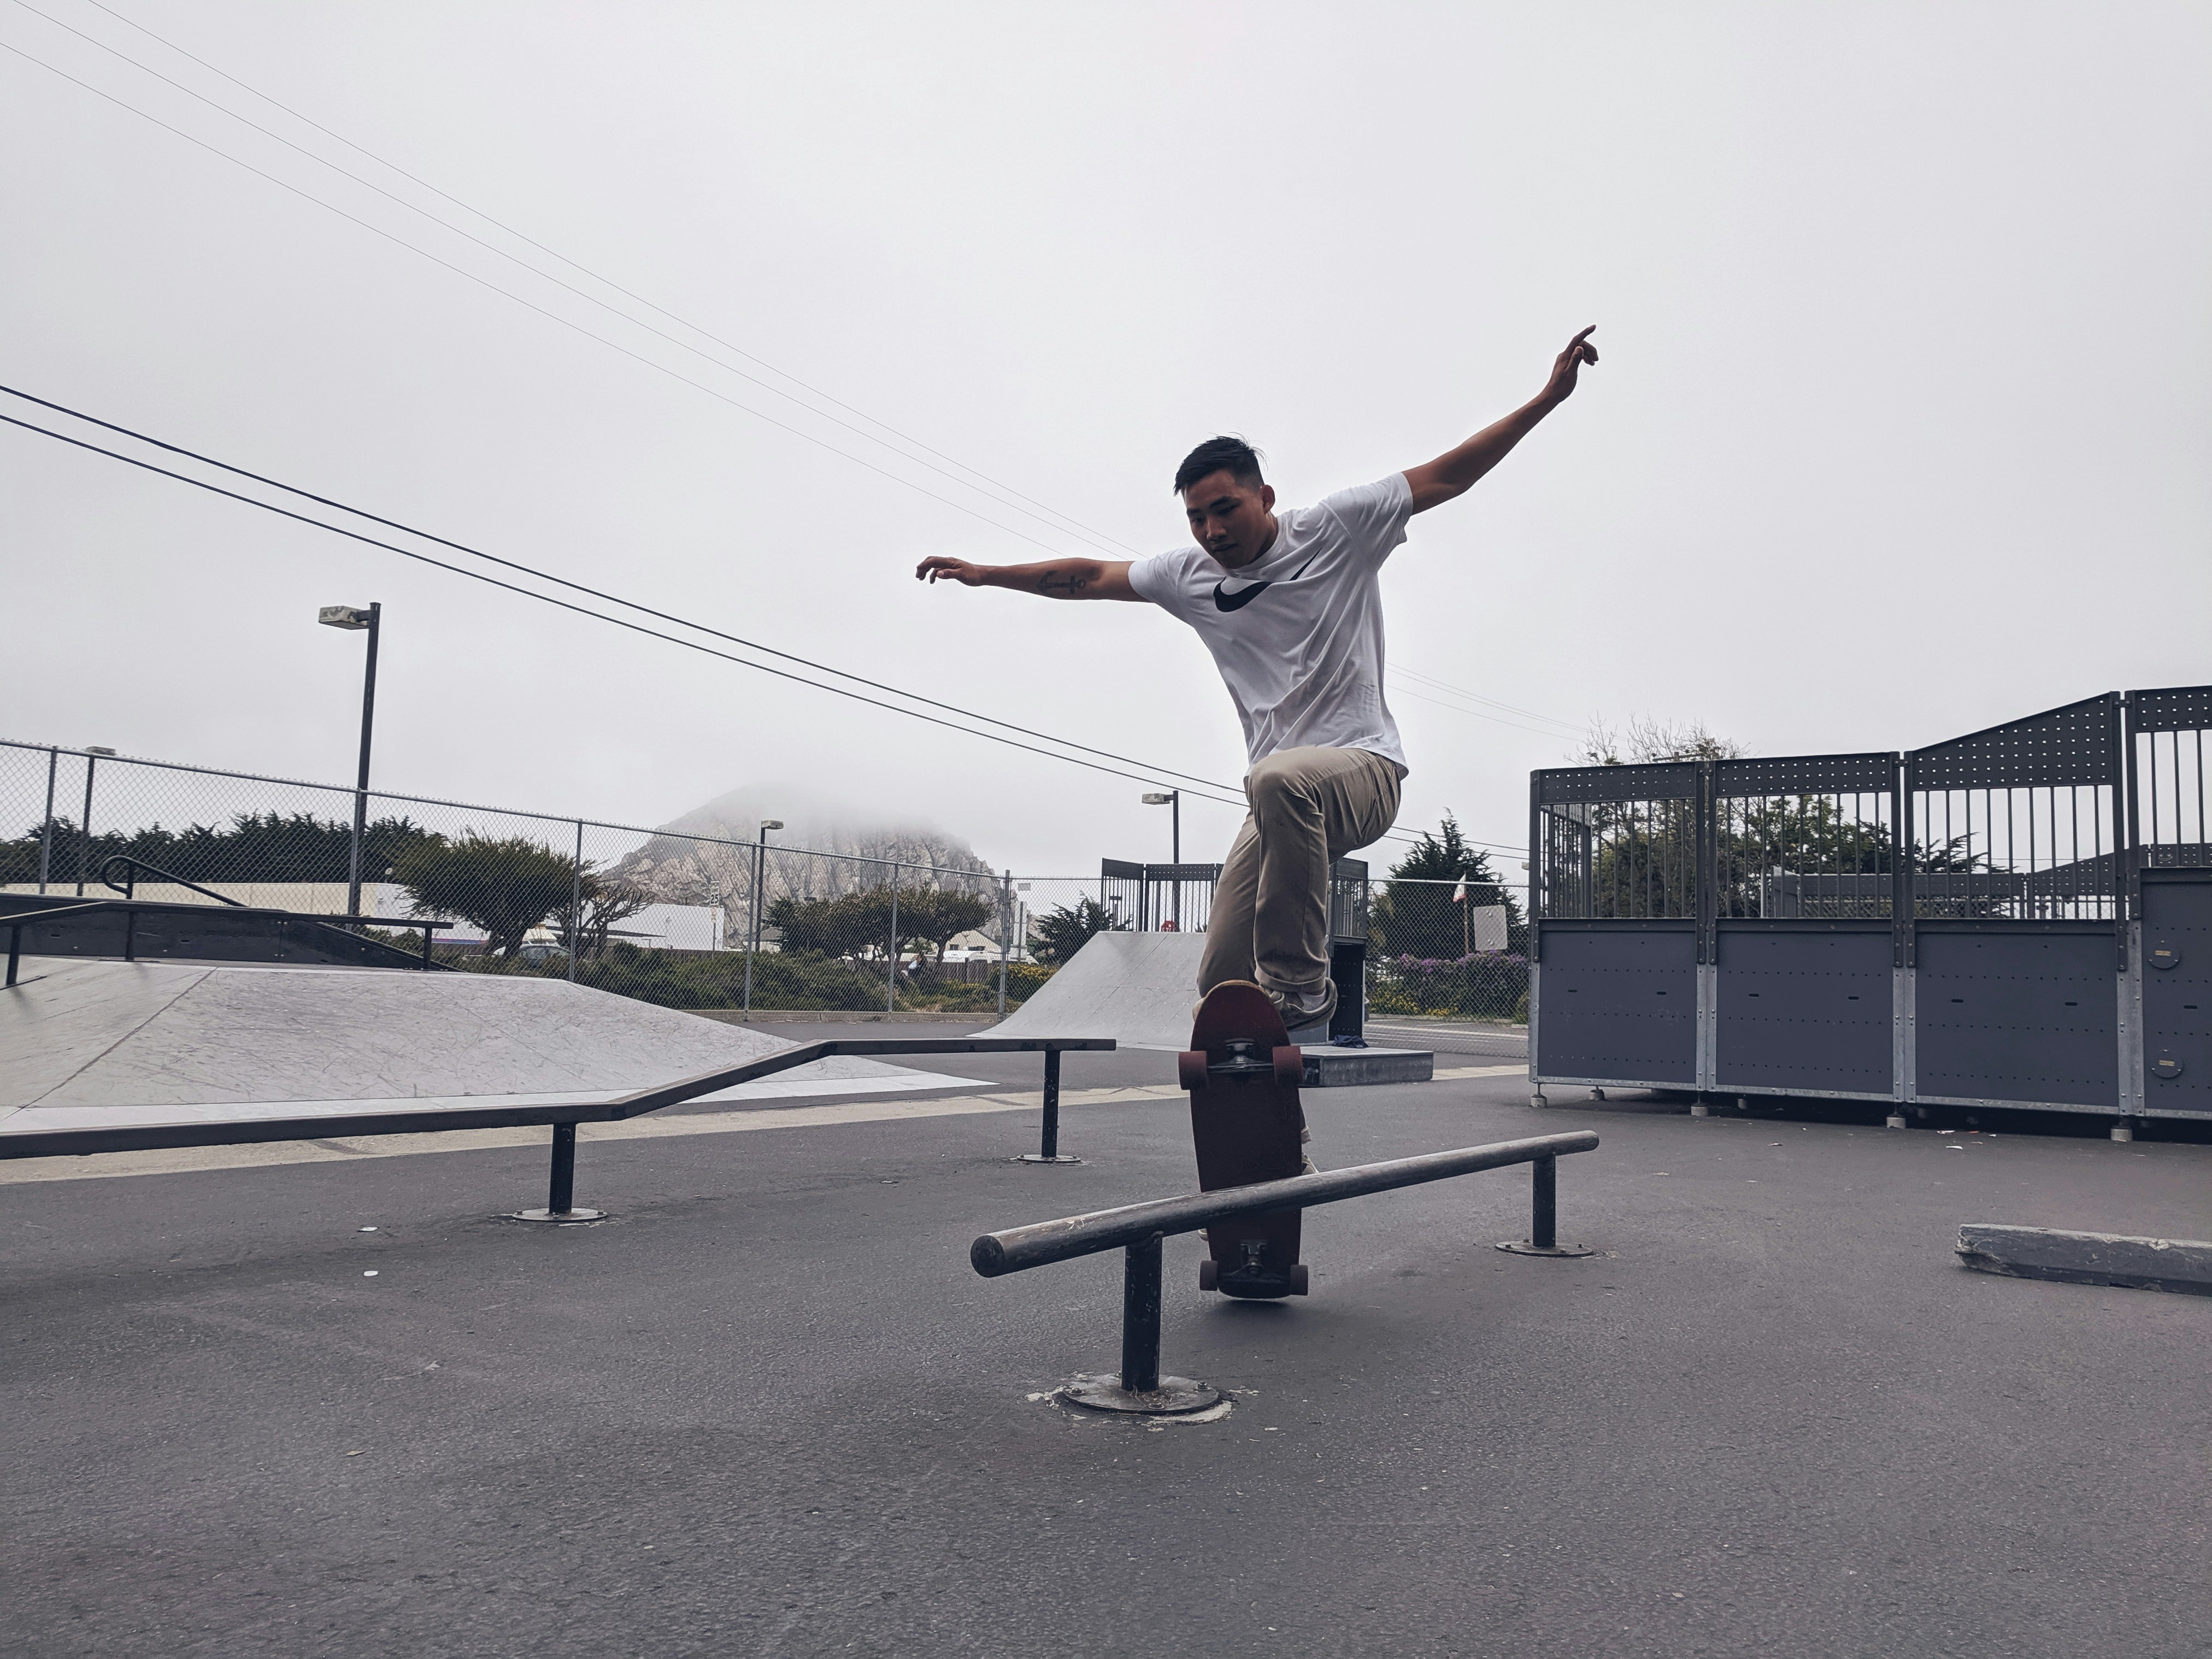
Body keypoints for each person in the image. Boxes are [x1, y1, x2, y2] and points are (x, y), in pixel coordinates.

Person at [917, 326, 1598, 1037]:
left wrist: (1547, 397)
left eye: (1225, 510)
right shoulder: (1189, 576)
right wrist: (986, 573)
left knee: (1278, 780)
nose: (1212, 532)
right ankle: (1275, 1137)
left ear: (1265, 497)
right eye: (1197, 518)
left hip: (1365, 771)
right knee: (1222, 986)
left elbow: (1447, 475)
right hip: (1278, 804)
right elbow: (1089, 578)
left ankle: (1304, 985)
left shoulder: (1339, 526)